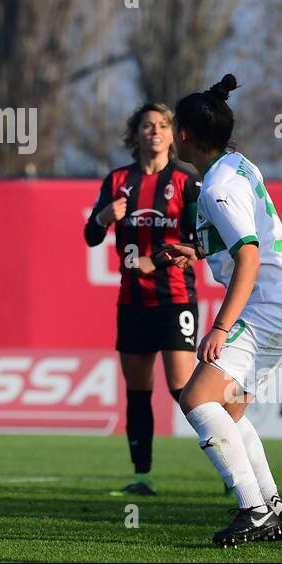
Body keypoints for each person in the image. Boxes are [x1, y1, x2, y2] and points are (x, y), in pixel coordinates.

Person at [154, 75, 282, 547]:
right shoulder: (237, 166)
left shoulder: (217, 186)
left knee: (195, 399)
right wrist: (194, 249)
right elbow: (244, 234)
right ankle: (275, 510)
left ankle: (253, 509)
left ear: (184, 134)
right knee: (229, 410)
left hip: (271, 308)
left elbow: (247, 255)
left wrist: (221, 327)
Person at [84, 103, 199, 496]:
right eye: (148, 126)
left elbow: (201, 242)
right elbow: (90, 236)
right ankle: (142, 476)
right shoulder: (117, 180)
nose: (155, 131)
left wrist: (161, 257)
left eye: (163, 126)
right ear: (136, 134)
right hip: (132, 301)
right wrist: (103, 218)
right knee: (137, 392)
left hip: (175, 299)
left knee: (183, 387)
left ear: (173, 135)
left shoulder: (186, 180)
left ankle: (229, 455)